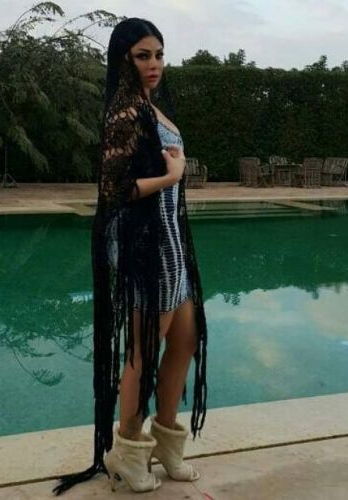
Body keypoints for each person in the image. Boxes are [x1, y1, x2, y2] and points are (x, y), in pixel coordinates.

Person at [52, 17, 208, 496]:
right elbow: (113, 190)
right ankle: (128, 449)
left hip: (170, 238)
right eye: (143, 56)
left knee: (185, 338)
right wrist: (172, 177)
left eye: (159, 54)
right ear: (124, 59)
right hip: (144, 243)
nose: (154, 64)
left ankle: (167, 443)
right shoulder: (123, 113)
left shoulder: (150, 106)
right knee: (144, 349)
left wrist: (174, 176)